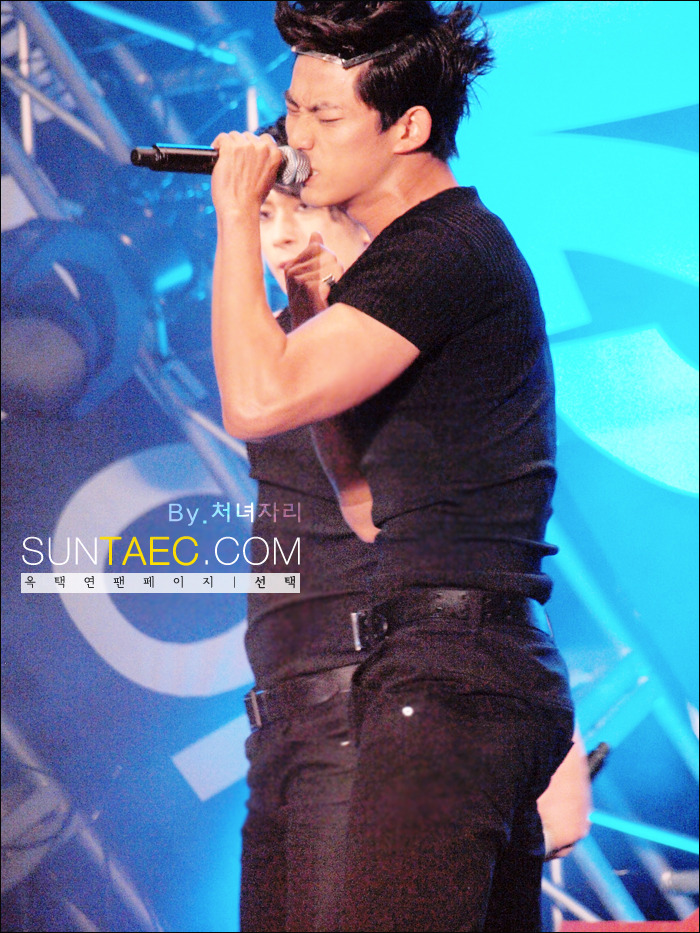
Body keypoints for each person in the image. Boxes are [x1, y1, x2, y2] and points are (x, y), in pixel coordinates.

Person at [211, 3, 576, 929]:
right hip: (443, 668)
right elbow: (368, 507)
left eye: (324, 116)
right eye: (292, 111)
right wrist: (304, 312)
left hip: (455, 673)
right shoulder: (421, 256)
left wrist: (234, 220)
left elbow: (255, 401)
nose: (294, 139)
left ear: (407, 127)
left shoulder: (440, 248)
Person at [242, 117, 374, 933]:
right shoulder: (280, 339)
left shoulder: (393, 329)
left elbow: (478, 526)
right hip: (280, 722)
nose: (282, 236)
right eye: (262, 215)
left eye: (301, 208)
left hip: (362, 704)